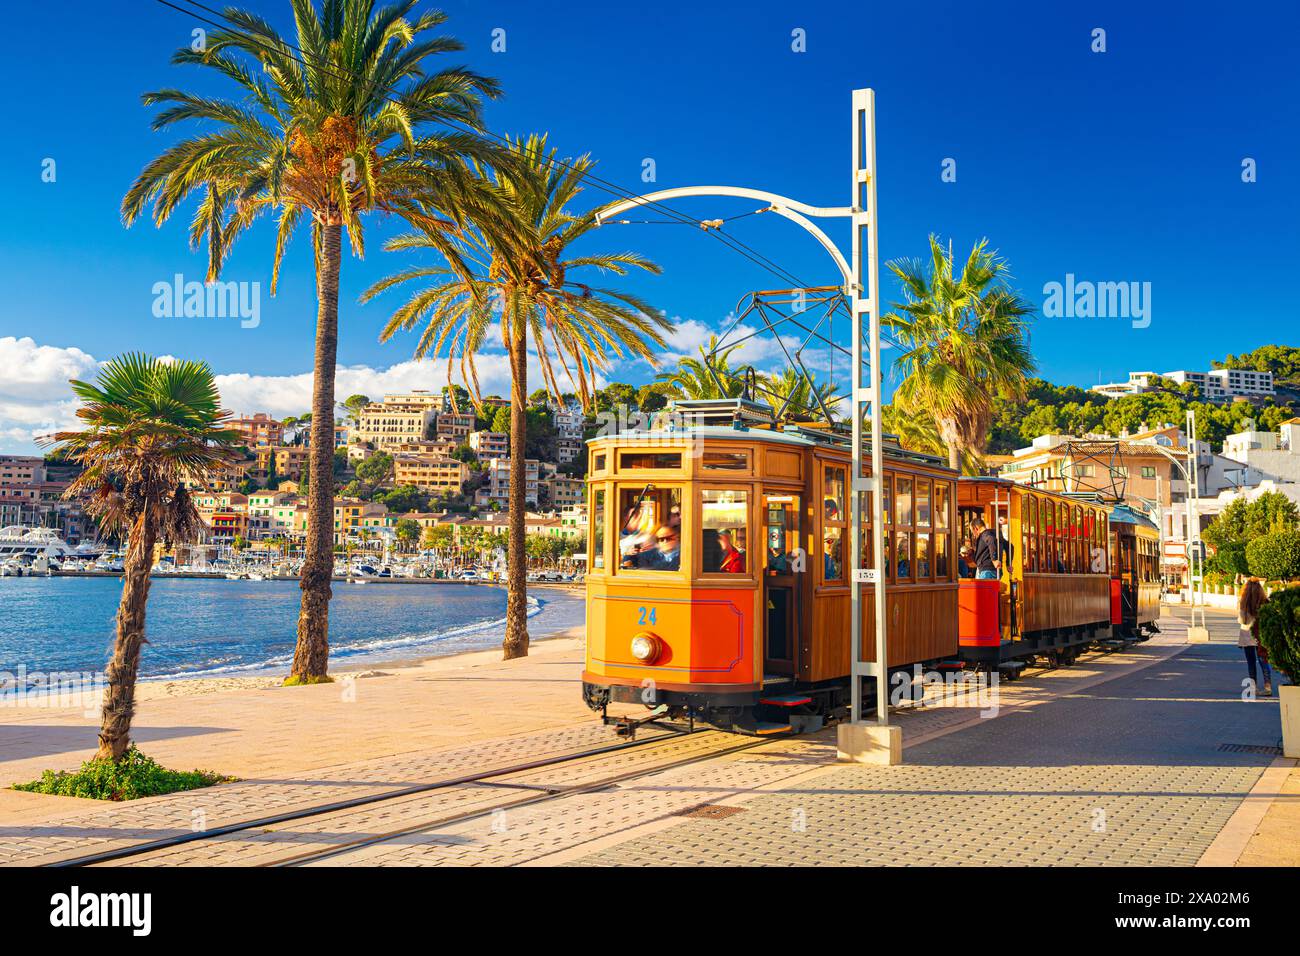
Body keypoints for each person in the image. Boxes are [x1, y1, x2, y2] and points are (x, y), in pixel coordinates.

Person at [1238, 578, 1273, 697]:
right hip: (1260, 634)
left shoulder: (1243, 603)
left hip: (1247, 635)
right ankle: (1268, 687)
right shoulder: (1265, 602)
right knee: (1263, 660)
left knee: (1251, 662)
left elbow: (1241, 620)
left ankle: (1253, 688)